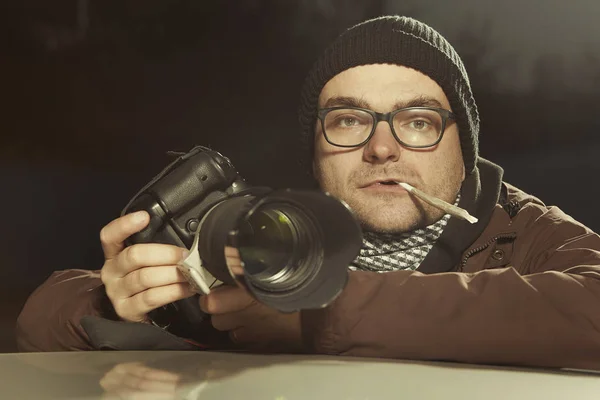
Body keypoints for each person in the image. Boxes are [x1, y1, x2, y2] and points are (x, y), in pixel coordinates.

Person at [15, 15, 600, 370]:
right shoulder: (275, 234)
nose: (381, 148)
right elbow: (37, 322)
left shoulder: (524, 230)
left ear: (463, 146)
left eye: (417, 121)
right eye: (348, 120)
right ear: (317, 149)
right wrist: (112, 300)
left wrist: (322, 314)